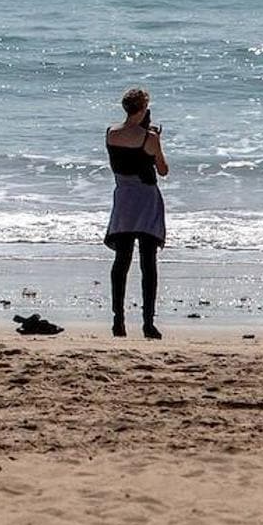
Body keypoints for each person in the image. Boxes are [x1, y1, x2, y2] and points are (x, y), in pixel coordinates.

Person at [105, 87, 169, 338]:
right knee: (148, 264)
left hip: (123, 199)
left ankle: (118, 320)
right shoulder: (149, 138)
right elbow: (162, 170)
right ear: (143, 109)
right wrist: (156, 140)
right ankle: (147, 323)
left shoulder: (111, 133)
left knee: (121, 261)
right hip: (145, 199)